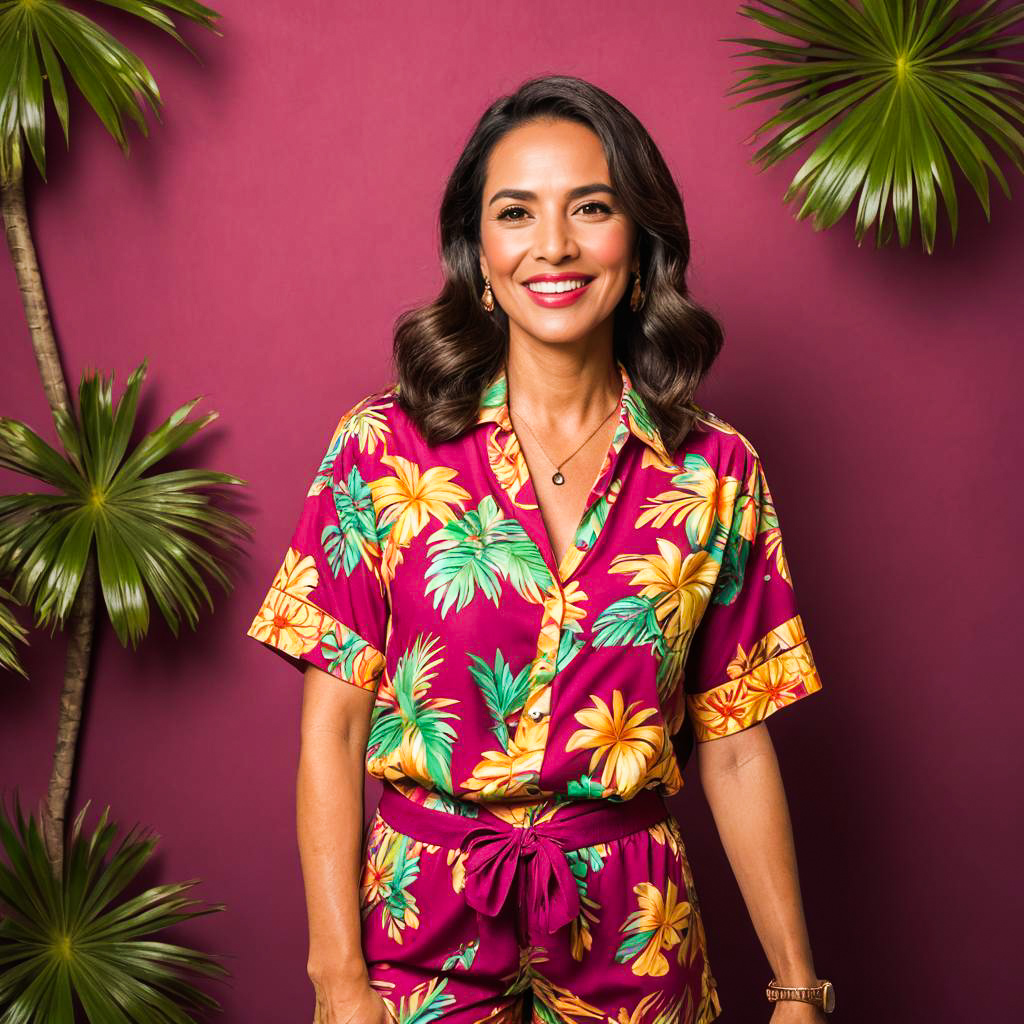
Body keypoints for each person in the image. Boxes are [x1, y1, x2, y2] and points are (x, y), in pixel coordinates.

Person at [247, 74, 834, 1024]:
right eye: (516, 213)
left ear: (639, 247)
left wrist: (798, 989)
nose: (553, 247)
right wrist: (337, 976)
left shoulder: (716, 473)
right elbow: (334, 729)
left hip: (634, 928)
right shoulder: (380, 450)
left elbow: (733, 744)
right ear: (478, 254)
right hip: (421, 924)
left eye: (590, 209)